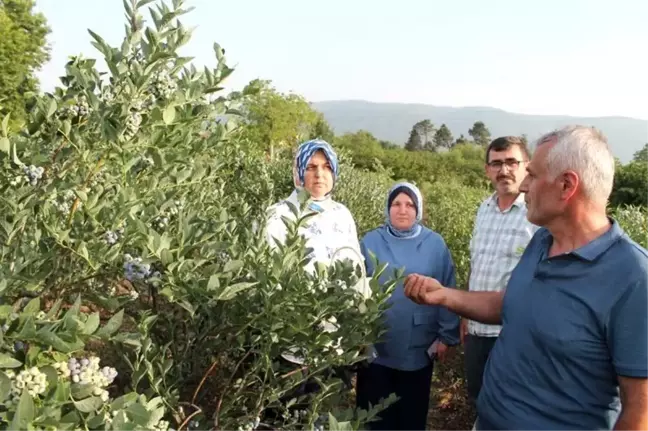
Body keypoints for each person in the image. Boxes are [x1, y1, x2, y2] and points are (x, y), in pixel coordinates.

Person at [404, 125, 648, 430]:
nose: (523, 186)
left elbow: (640, 412)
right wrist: (443, 295)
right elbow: (513, 304)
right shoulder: (542, 241)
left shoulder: (633, 277)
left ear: (566, 186)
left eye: (531, 175)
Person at [355, 181, 460, 431]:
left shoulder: (435, 244)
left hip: (417, 346)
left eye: (410, 204)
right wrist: (355, 334)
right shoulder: (371, 241)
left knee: (410, 416)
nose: (403, 210)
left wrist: (446, 336)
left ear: (419, 210)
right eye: (396, 204)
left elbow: (447, 287)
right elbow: (355, 289)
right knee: (374, 416)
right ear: (387, 208)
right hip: (376, 345)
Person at [463, 136, 539, 407]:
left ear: (527, 166)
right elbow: (477, 263)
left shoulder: (536, 215)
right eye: (496, 163)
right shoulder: (484, 209)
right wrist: (465, 317)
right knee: (478, 400)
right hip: (476, 331)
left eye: (511, 162)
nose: (504, 170)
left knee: (511, 407)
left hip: (512, 334)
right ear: (487, 170)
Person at [265, 138, 363, 274]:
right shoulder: (276, 215)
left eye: (327, 167)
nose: (319, 174)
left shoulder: (342, 214)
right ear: (298, 173)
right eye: (311, 167)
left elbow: (356, 267)